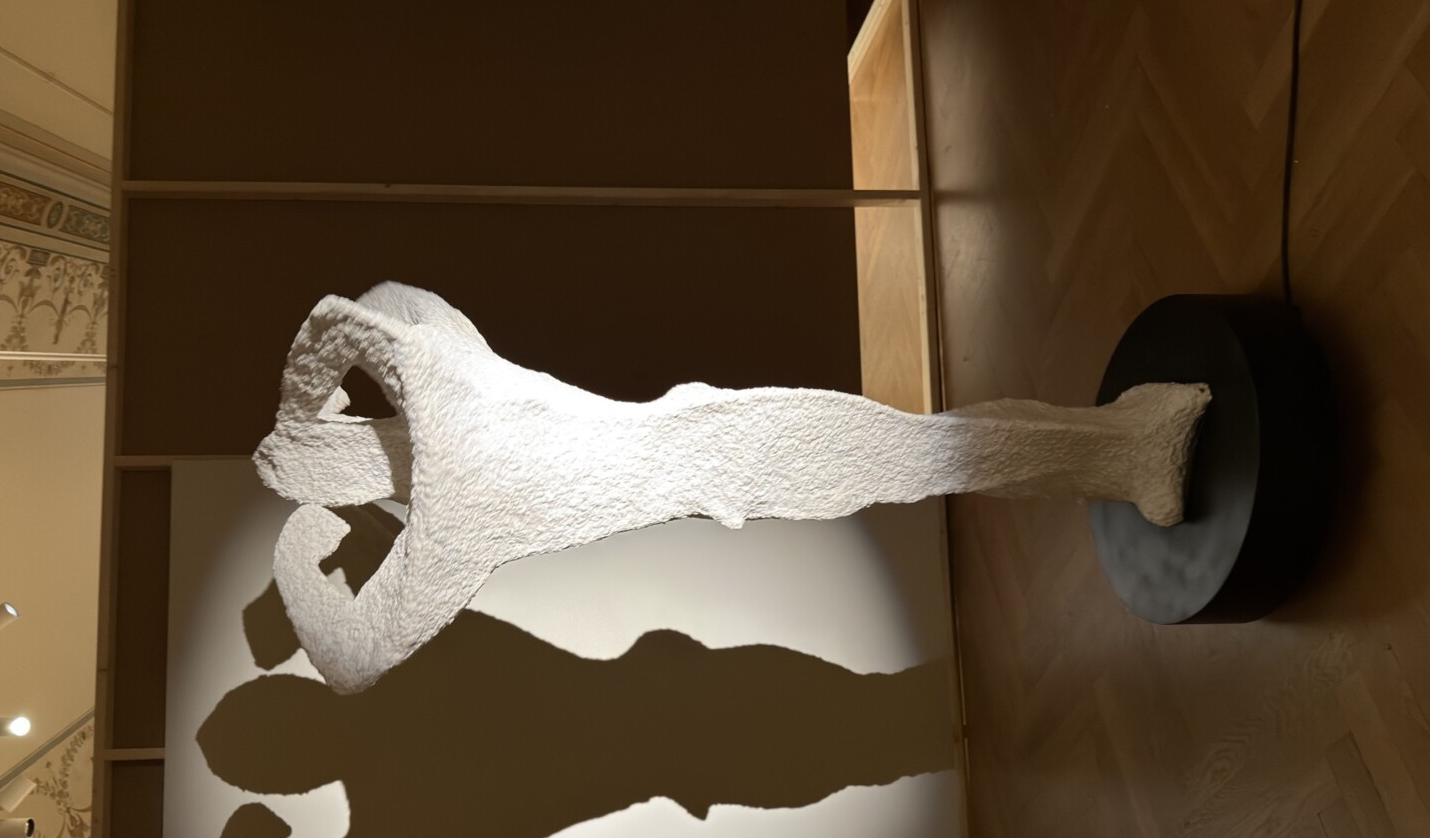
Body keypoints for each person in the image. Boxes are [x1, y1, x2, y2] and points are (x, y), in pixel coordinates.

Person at [256, 283, 1209, 694]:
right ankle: (1114, 450)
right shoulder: (438, 371)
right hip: (713, 438)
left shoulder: (444, 531)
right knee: (917, 450)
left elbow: (352, 660)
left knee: (917, 456)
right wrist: (309, 402)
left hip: (723, 457)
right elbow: (356, 313)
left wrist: (304, 562)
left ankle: (1125, 451)